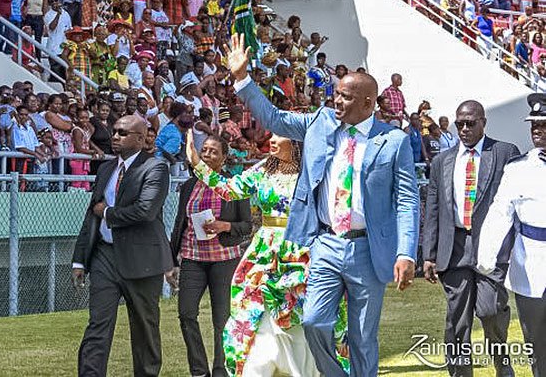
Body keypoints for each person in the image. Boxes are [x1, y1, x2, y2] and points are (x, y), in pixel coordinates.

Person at [226, 33, 419, 376]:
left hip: (368, 248)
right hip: (325, 243)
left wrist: (406, 252)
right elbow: (273, 118)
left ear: (368, 102)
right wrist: (243, 78)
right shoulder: (319, 122)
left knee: (362, 338)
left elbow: (406, 200)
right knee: (314, 321)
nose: (336, 102)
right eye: (336, 95)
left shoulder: (393, 141)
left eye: (345, 97)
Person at [187, 130, 349, 376]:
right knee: (253, 309)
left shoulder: (315, 171)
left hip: (302, 249)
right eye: (271, 135)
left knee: (302, 311)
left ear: (296, 141)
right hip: (264, 252)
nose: (271, 141)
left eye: (279, 136)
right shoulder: (264, 169)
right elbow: (230, 190)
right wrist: (197, 163)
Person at [422, 100, 520, 377]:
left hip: (491, 248)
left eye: (470, 123)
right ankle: (460, 373)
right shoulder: (442, 161)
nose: (464, 129)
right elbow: (433, 208)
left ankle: (502, 364)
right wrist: (429, 255)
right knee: (457, 319)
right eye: (460, 124)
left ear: (483, 122)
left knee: (490, 311)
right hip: (453, 248)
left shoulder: (503, 152)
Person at [72, 115, 172, 377]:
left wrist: (108, 213)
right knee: (97, 325)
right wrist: (80, 259)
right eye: (114, 131)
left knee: (144, 328)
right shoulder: (106, 169)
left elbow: (145, 212)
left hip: (142, 259)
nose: (115, 136)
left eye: (123, 133)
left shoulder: (155, 168)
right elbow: (90, 216)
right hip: (105, 255)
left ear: (141, 138)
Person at [168, 134, 252, 377]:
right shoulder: (188, 185)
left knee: (222, 320)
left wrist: (225, 226)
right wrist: (172, 261)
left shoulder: (234, 185)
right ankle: (198, 370)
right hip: (193, 258)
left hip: (224, 259)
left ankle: (220, 370)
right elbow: (179, 224)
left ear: (223, 158)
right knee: (186, 313)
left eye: (214, 152)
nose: (207, 155)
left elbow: (246, 225)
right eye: (204, 150)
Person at [477, 93, 546, 377]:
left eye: (544, 124)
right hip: (531, 267)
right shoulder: (517, 168)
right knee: (537, 342)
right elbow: (499, 213)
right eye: (534, 125)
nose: (537, 130)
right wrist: (486, 257)